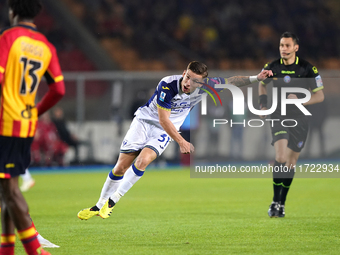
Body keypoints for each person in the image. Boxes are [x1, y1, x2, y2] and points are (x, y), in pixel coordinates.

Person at [77, 61, 273, 220]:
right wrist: (181, 141)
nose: (188, 82)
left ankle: (111, 203)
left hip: (164, 130)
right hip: (145, 122)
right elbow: (163, 119)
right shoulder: (168, 85)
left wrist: (257, 78)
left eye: (194, 80)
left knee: (143, 161)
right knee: (120, 167)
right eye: (187, 76)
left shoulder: (206, 87)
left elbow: (232, 81)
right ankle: (99, 204)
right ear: (183, 73)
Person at [0, 0, 65, 254]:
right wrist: (35, 112)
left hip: (5, 122)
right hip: (25, 123)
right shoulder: (45, 46)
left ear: (12, 11)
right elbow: (58, 89)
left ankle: (34, 250)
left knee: (10, 190)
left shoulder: (8, 37)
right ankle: (6, 249)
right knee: (6, 188)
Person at [258, 32, 325, 218]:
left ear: (296, 48)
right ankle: (274, 201)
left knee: (291, 163)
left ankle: (282, 203)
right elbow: (262, 84)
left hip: (300, 121)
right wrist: (263, 104)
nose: (283, 49)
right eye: (281, 45)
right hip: (278, 116)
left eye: (287, 46)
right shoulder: (272, 67)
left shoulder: (307, 69)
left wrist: (301, 101)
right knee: (280, 157)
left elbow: (320, 96)